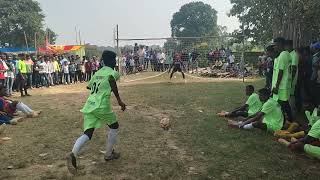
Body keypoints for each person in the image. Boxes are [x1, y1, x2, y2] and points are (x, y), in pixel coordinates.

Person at [67, 49, 126, 174]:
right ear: (112, 61)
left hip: (90, 104)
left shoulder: (97, 72)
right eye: (114, 60)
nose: (115, 62)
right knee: (114, 126)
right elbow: (111, 80)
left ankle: (73, 154)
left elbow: (90, 86)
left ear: (103, 61)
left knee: (88, 133)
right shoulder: (113, 72)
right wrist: (119, 101)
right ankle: (108, 154)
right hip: (101, 105)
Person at [272, 37, 293, 123]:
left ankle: (285, 120)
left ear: (280, 44)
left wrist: (276, 86)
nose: (274, 47)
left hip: (281, 85)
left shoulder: (283, 54)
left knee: (281, 103)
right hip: (284, 84)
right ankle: (289, 119)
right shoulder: (287, 54)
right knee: (284, 103)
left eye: (276, 45)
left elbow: (281, 71)